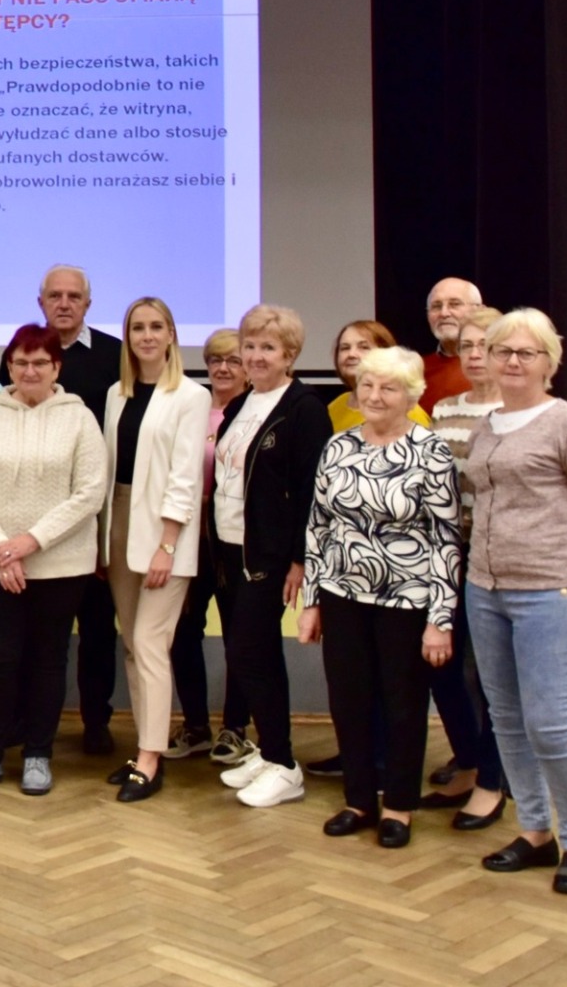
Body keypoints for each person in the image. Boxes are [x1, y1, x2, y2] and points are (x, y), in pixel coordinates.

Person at [463, 308, 567, 895]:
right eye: (502, 350)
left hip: (551, 591)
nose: (511, 361)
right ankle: (535, 833)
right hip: (485, 590)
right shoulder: (487, 425)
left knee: (551, 726)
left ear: (548, 362)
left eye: (525, 353)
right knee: (506, 719)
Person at [301, 347, 461, 847]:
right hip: (342, 594)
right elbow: (318, 527)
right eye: (367, 385)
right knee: (348, 701)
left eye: (388, 387)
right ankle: (358, 800)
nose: (373, 395)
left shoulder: (431, 451)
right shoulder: (339, 446)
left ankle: (399, 806)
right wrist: (311, 601)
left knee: (402, 705)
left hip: (408, 601)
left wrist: (440, 619)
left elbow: (446, 539)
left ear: (411, 395)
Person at [0, 325, 106, 796]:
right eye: (20, 362)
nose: (30, 371)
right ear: (9, 367)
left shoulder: (80, 419)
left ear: (57, 367)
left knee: (47, 661)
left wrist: (30, 542)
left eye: (40, 362)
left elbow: (89, 494)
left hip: (61, 566)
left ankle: (38, 754)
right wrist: (1, 546)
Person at [212, 304, 332, 808]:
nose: (256, 356)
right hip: (228, 546)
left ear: (290, 354)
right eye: (250, 346)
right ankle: (270, 751)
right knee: (253, 654)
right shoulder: (243, 403)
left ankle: (284, 766)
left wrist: (300, 560)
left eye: (268, 347)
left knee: (248, 652)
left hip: (268, 553)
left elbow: (312, 490)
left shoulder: (304, 408)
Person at [100, 298, 211, 802]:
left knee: (149, 642)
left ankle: (151, 758)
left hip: (166, 530)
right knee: (132, 643)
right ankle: (144, 747)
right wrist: (103, 542)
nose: (146, 335)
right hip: (119, 525)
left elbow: (186, 478)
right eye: (137, 327)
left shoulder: (191, 396)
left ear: (171, 334)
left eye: (156, 327)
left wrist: (167, 545)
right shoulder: (116, 394)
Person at [423, 306, 507, 826]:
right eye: (468, 346)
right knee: (442, 667)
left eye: (485, 345)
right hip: (446, 555)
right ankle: (470, 763)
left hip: (497, 559)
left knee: (492, 676)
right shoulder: (444, 409)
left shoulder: (519, 411)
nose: (475, 355)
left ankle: (493, 783)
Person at [38, 264, 125, 757]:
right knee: (41, 633)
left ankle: (97, 721)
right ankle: (34, 726)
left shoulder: (115, 356)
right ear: (41, 303)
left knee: (96, 629)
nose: (64, 303)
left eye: (74, 296)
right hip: (35, 517)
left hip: (94, 511)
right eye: (55, 295)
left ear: (88, 304)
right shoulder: (26, 354)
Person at [170, 329, 253, 766]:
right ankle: (196, 725)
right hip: (190, 537)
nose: (223, 368)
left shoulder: (254, 412)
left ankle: (235, 729)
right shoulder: (193, 408)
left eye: (233, 360)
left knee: (240, 636)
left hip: (236, 542)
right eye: (215, 360)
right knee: (183, 631)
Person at [327, 320, 432, 431]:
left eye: (363, 347)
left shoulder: (406, 411)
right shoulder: (336, 406)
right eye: (345, 348)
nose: (351, 354)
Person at [421, 277, 482, 413]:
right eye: (436, 306)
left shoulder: (498, 364)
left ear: (479, 310)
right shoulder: (416, 370)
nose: (444, 313)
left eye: (454, 304)